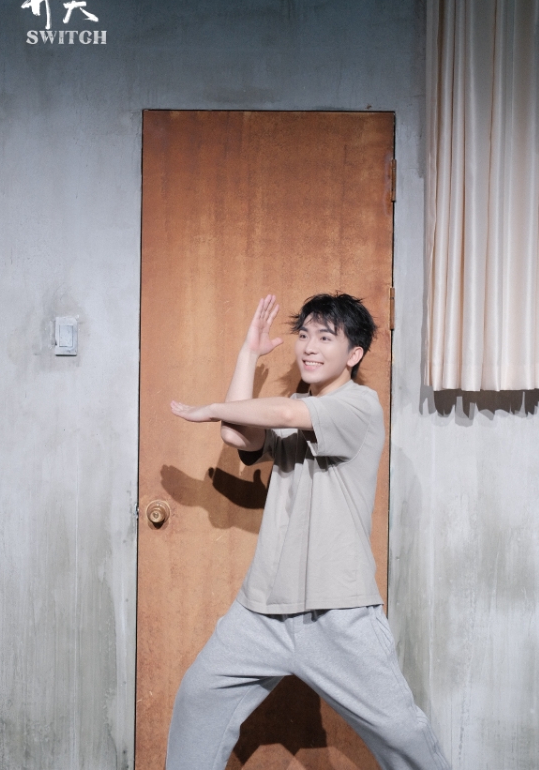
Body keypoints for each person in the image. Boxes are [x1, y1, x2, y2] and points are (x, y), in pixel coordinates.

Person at [167, 293, 450, 770]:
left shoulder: (359, 405)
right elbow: (236, 433)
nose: (309, 347)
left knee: (401, 731)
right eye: (303, 335)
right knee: (199, 699)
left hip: (336, 610)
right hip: (261, 611)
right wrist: (248, 354)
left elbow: (280, 416)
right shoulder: (294, 405)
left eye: (325, 337)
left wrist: (210, 406)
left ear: (353, 354)